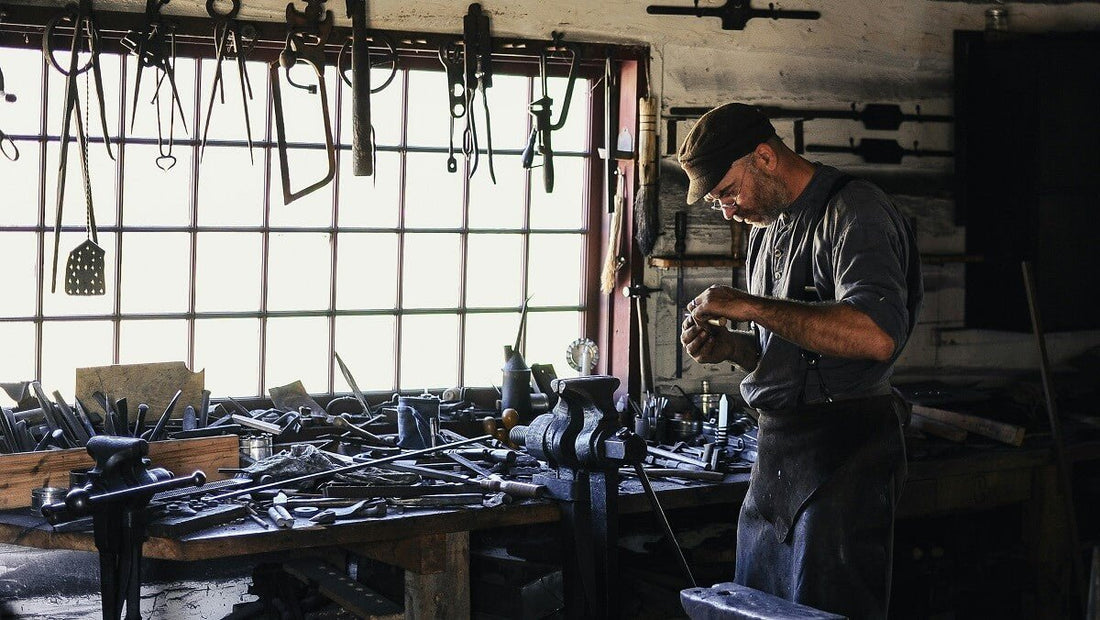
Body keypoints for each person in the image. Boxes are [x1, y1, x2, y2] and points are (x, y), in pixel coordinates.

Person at [677, 102, 923, 619]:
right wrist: (734, 349)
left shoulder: (855, 211)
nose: (727, 211)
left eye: (727, 192)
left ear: (764, 158)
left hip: (844, 456)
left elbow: (877, 335)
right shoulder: (769, 232)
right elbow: (792, 356)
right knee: (754, 611)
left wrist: (749, 306)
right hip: (777, 460)